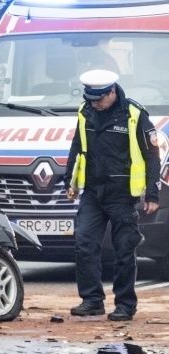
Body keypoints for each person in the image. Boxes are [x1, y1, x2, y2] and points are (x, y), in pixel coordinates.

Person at [66, 69, 160, 321]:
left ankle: (125, 305)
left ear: (111, 92)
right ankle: (92, 300)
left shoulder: (134, 114)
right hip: (93, 193)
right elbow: (77, 146)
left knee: (124, 250)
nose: (94, 103)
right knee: (84, 244)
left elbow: (152, 155)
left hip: (122, 194)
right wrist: (70, 181)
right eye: (90, 99)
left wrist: (152, 193)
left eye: (98, 99)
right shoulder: (86, 111)